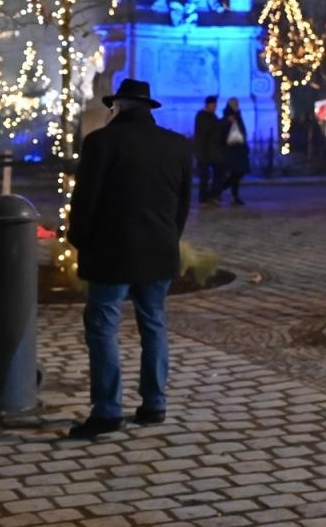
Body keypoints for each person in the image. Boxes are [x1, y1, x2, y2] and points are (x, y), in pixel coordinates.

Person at [66, 78, 192, 438]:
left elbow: (85, 200)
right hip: (159, 250)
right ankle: (154, 403)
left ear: (117, 107)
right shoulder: (176, 145)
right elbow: (182, 205)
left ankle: (108, 410)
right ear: (147, 108)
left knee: (103, 327)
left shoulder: (101, 142)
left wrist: (79, 238)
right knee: (153, 324)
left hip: (111, 252)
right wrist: (168, 238)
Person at [191, 96, 224, 209]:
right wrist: (221, 122)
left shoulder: (213, 116)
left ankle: (213, 195)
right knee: (204, 177)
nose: (215, 107)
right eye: (213, 105)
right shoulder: (201, 116)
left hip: (215, 151)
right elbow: (206, 129)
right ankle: (203, 199)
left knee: (219, 173)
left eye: (215, 105)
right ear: (208, 105)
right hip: (204, 151)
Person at [220, 98, 248, 205]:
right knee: (234, 173)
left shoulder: (238, 115)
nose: (236, 105)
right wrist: (228, 121)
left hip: (239, 149)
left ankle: (231, 194)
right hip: (231, 150)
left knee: (237, 174)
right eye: (234, 104)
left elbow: (242, 130)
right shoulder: (227, 116)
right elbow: (222, 131)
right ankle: (221, 191)